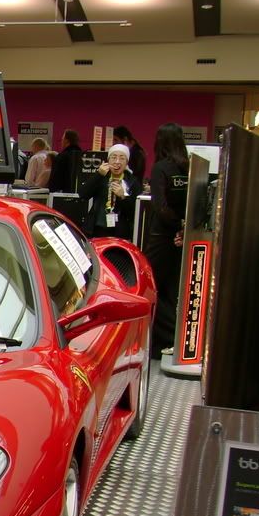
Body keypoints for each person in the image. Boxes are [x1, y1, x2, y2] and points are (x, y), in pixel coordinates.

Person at [144, 122, 190, 356]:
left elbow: (159, 206)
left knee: (152, 288)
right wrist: (184, 226)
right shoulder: (188, 168)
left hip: (161, 237)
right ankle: (171, 340)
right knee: (172, 290)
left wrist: (174, 224)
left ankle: (161, 339)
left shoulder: (161, 168)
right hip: (181, 238)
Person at [77, 143, 141, 239]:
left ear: (127, 162)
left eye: (122, 158)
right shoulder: (102, 176)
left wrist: (123, 197)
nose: (117, 162)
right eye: (113, 157)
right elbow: (82, 194)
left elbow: (135, 213)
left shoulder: (132, 182)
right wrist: (98, 174)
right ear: (108, 160)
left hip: (119, 233)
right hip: (96, 229)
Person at [48, 129, 84, 193]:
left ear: (67, 141)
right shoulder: (83, 156)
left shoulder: (61, 157)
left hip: (63, 194)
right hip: (80, 193)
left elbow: (55, 179)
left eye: (62, 139)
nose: (61, 141)